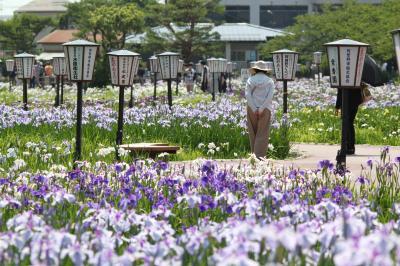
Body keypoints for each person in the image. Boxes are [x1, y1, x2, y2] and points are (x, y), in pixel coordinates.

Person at [245, 61, 275, 159]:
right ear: (265, 70)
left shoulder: (250, 80)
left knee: (252, 132)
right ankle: (260, 158)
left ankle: (253, 156)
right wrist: (261, 109)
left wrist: (254, 108)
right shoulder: (270, 81)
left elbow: (248, 95)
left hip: (251, 108)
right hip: (265, 109)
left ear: (255, 69)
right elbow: (270, 97)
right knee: (262, 133)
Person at [335, 83, 364, 155]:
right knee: (349, 123)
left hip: (346, 102)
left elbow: (340, 91)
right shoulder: (355, 74)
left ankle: (348, 147)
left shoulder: (342, 75)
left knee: (347, 124)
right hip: (354, 101)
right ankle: (349, 147)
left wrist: (337, 106)